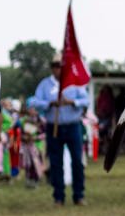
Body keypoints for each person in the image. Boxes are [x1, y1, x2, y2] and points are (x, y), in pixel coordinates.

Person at [28, 60, 90, 206]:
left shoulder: (74, 83)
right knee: (56, 162)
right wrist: (49, 104)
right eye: (55, 67)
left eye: (61, 67)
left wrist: (72, 102)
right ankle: (58, 196)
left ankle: (79, 194)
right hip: (54, 126)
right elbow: (34, 101)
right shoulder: (45, 84)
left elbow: (85, 100)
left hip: (73, 125)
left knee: (77, 161)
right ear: (52, 68)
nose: (58, 70)